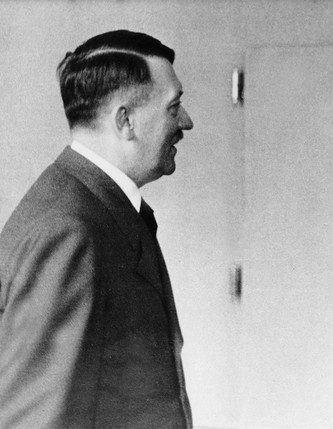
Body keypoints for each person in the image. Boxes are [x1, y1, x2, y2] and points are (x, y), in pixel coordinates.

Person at [0, 30, 194, 428]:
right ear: (125, 121)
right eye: (174, 107)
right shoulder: (70, 232)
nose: (186, 122)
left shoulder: (99, 209)